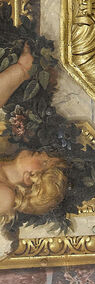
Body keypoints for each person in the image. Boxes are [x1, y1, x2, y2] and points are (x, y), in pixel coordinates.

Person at [0, 46, 67, 220]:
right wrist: (21, 70)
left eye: (44, 162)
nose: (42, 154)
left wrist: (21, 70)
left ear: (30, 179)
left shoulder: (5, 197)